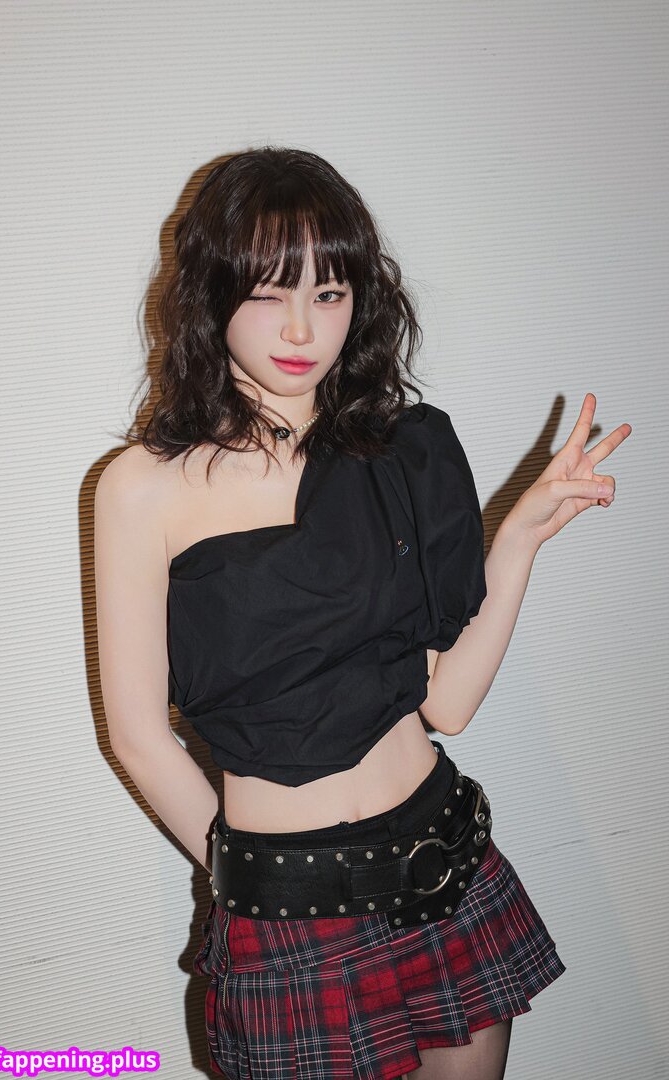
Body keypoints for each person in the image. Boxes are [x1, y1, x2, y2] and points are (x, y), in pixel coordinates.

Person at [94, 146, 631, 1080]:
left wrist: (518, 539)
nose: (303, 327)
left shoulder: (401, 452)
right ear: (213, 294)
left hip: (443, 861)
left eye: (330, 292)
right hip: (288, 910)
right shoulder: (143, 488)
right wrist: (246, 875)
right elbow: (139, 738)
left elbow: (447, 702)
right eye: (270, 292)